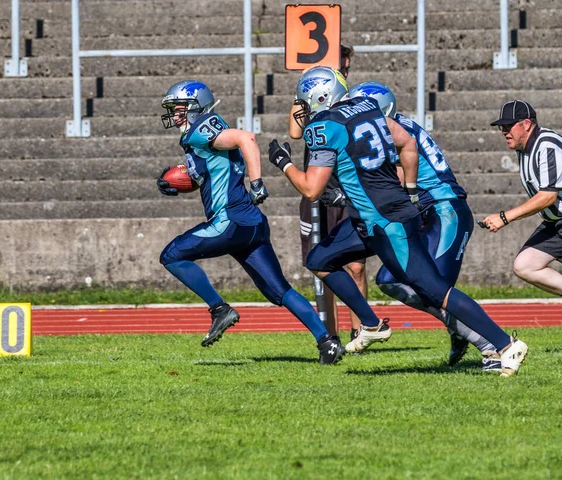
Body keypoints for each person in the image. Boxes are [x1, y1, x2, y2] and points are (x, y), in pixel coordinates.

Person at [268, 66, 528, 376]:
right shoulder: (367, 108)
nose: (304, 110)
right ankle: (370, 324)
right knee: (320, 259)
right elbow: (406, 142)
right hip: (370, 215)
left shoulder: (326, 125)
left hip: (384, 219)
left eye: (306, 102)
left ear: (322, 98)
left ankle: (504, 344)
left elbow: (311, 188)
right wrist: (412, 190)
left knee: (433, 289)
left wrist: (283, 162)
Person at [156, 79, 345, 365]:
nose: (176, 115)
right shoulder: (210, 129)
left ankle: (219, 309)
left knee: (171, 255)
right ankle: (327, 342)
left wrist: (257, 182)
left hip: (229, 221)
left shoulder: (198, 130)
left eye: (180, 109)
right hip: (251, 224)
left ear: (196, 108)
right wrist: (187, 183)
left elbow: (247, 138)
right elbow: (217, 169)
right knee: (279, 291)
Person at [349, 81, 502, 371]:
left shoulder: (391, 133)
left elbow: (388, 176)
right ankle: (464, 333)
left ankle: (493, 346)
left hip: (445, 211)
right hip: (429, 212)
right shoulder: (396, 126)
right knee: (389, 279)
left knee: (435, 290)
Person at [289, 45, 368, 341]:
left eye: (346, 69)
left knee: (356, 266)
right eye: (340, 69)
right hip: (318, 190)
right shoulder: (314, 100)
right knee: (321, 266)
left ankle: (362, 330)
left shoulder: (353, 101)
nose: (344, 74)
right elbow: (295, 133)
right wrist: (302, 87)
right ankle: (330, 336)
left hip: (348, 190)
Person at [481, 100, 562, 295]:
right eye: (502, 127)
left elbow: (548, 197)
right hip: (554, 222)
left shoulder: (547, 145)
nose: (504, 131)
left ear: (526, 124)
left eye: (508, 126)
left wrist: (504, 217)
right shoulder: (523, 149)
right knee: (525, 265)